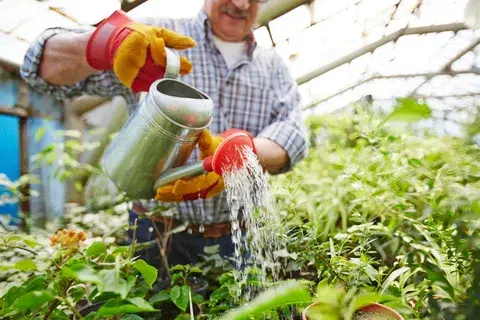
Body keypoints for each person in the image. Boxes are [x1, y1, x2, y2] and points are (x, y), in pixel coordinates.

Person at [20, 0, 309, 273]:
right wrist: (105, 44)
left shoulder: (273, 68)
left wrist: (242, 151)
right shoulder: (155, 39)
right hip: (156, 232)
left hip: (237, 234)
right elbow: (38, 68)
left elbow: (293, 136)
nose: (242, 4)